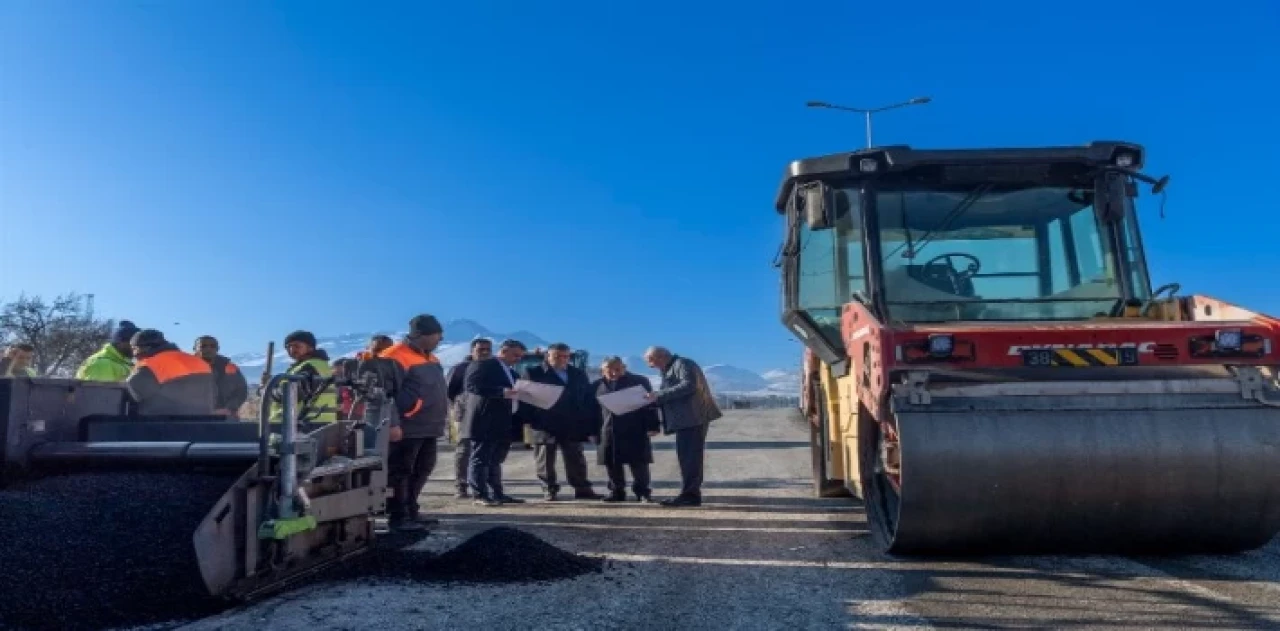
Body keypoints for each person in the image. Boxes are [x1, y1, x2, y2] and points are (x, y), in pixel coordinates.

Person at [378, 315, 450, 531]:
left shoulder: (432, 358)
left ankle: (411, 510)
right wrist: (393, 423)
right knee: (401, 471)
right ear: (421, 335)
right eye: (437, 336)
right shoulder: (393, 356)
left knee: (424, 468)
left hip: (429, 425)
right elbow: (384, 394)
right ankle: (398, 516)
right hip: (407, 426)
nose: (440, 340)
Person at [520, 342, 601, 501]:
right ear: (548, 356)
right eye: (557, 356)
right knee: (545, 459)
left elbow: (586, 398)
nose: (562, 359)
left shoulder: (577, 373)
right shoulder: (533, 372)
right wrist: (528, 420)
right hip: (544, 422)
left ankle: (582, 488)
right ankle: (549, 489)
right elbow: (525, 399)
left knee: (576, 457)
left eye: (565, 356)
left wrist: (587, 422)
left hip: (572, 422)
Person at [643, 346, 722, 507]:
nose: (651, 366)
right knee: (687, 458)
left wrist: (658, 395)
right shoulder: (674, 366)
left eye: (651, 362)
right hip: (687, 420)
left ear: (660, 356)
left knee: (690, 458)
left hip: (693, 419)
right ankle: (689, 494)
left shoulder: (683, 364)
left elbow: (689, 385)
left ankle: (690, 495)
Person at [460, 338, 527, 507]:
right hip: (484, 421)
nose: (518, 359)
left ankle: (497, 493)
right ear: (504, 351)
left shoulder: (512, 373)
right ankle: (480, 494)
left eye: (520, 357)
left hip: (503, 423)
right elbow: (472, 385)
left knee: (495, 460)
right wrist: (501, 392)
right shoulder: (484, 364)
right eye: (515, 355)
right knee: (481, 458)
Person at [594, 356, 661, 503]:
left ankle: (643, 492)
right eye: (608, 370)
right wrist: (591, 431)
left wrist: (653, 426)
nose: (613, 373)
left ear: (624, 367)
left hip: (635, 428)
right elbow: (591, 411)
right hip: (608, 429)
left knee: (639, 463)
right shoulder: (596, 385)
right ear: (602, 370)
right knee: (611, 462)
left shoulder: (639, 381)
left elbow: (650, 406)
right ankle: (616, 491)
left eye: (617, 369)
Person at [126, 329, 217, 416]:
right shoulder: (200, 363)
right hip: (202, 425)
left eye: (134, 348)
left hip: (162, 425)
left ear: (144, 348)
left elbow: (133, 392)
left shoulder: (150, 364)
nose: (133, 354)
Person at [446, 337, 493, 499]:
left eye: (488, 349)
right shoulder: (460, 368)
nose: (485, 353)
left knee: (484, 452)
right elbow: (449, 391)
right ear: (472, 351)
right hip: (464, 414)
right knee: (464, 450)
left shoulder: (493, 368)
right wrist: (460, 406)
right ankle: (461, 485)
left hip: (487, 415)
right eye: (481, 350)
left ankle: (480, 485)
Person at [269, 330, 339, 427]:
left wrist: (269, 390)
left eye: (297, 346)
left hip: (307, 426)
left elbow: (293, 394)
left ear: (310, 347)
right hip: (312, 424)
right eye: (288, 347)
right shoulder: (305, 366)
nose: (292, 350)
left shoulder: (312, 367)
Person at [193, 335, 249, 418]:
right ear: (195, 349)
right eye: (203, 346)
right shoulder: (186, 367)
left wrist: (229, 408)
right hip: (192, 418)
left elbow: (241, 391)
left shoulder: (230, 367)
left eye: (212, 346)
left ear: (217, 349)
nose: (208, 349)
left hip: (225, 418)